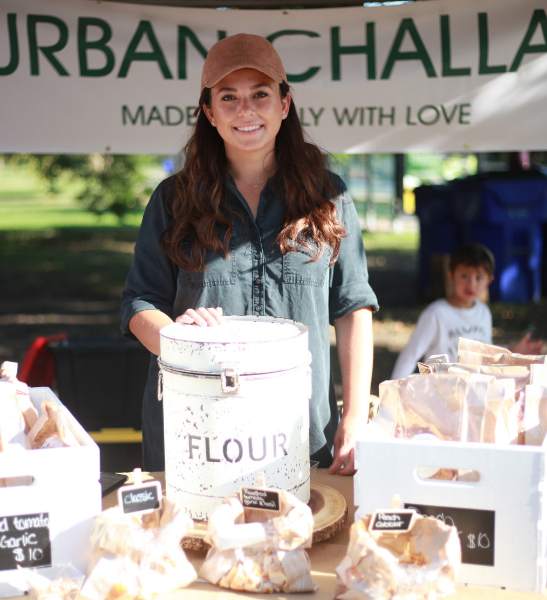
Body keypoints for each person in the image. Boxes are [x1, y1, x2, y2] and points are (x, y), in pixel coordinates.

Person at [121, 33, 378, 476]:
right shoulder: (172, 200)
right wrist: (181, 341)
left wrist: (354, 417)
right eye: (229, 97)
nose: (246, 110)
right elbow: (138, 303)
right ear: (209, 112)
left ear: (284, 104)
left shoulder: (329, 198)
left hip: (302, 431)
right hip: (198, 434)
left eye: (260, 94)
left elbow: (353, 307)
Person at [391, 242, 543, 379]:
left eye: (479, 278)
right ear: (450, 275)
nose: (471, 284)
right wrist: (392, 398)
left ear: (489, 280)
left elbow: (484, 353)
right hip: (440, 395)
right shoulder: (436, 314)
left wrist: (511, 351)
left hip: (473, 396)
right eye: (464, 276)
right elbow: (410, 356)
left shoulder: (484, 313)